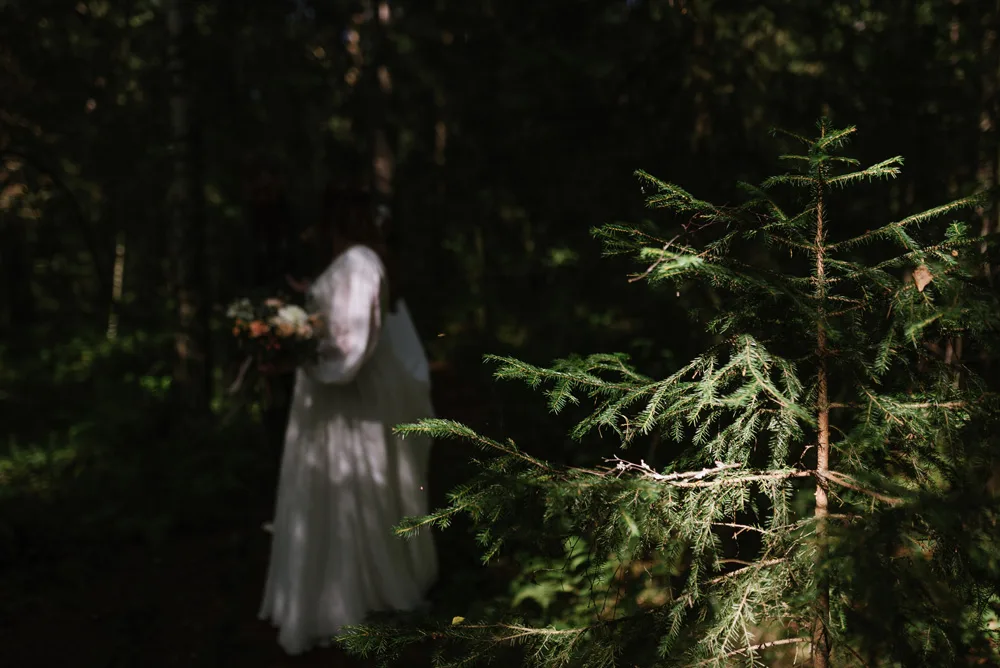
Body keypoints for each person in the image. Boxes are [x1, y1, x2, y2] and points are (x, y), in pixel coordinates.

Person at [258, 186, 437, 655]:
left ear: (337, 219)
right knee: (335, 490)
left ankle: (363, 598)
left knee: (355, 488)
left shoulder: (360, 261)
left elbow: (353, 347)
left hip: (351, 399)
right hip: (334, 397)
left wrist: (302, 353)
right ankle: (334, 595)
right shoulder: (356, 262)